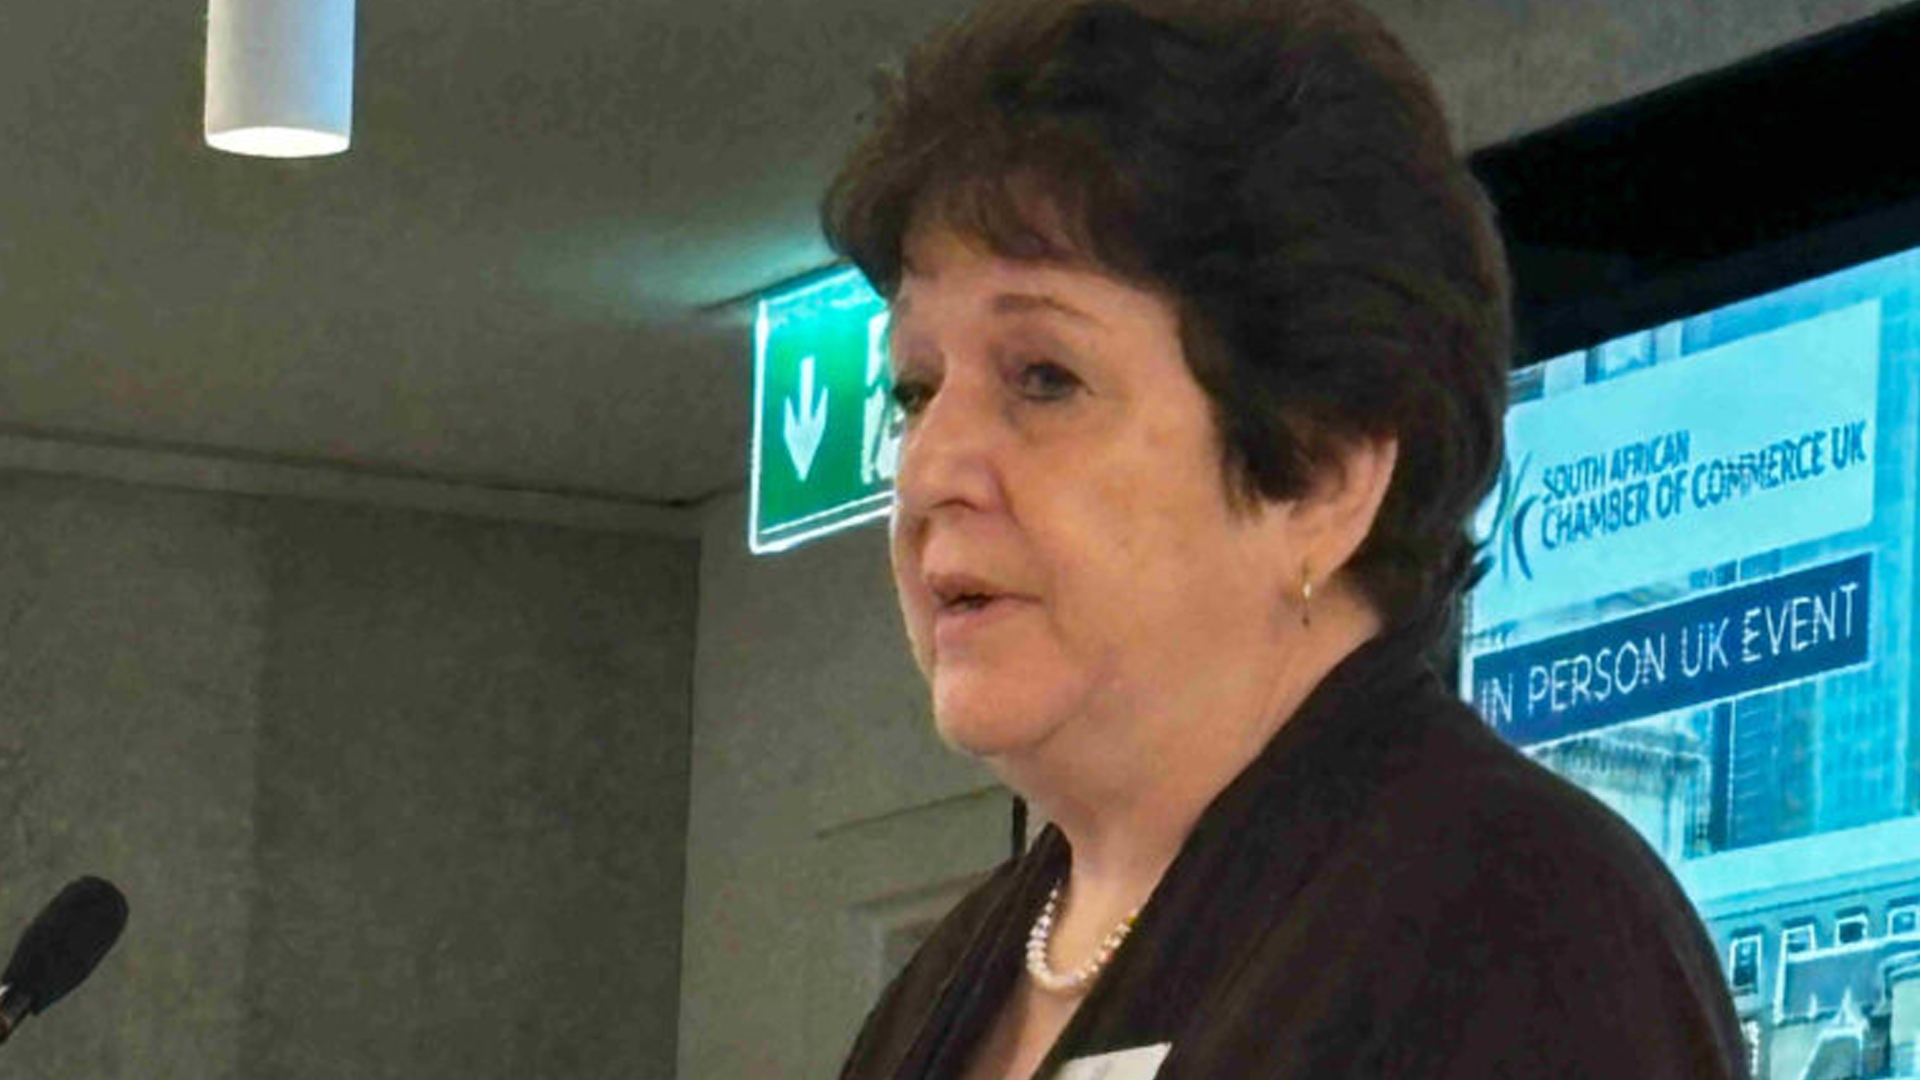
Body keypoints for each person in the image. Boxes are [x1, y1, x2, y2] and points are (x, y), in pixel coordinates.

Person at [821, 0, 1749, 1077]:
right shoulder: (941, 993)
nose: (931, 470)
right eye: (916, 389)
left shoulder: (1519, 925)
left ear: (1322, 472)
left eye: (1043, 378)